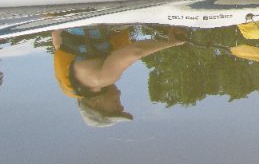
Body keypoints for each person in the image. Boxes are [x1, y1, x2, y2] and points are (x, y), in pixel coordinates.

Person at [52, 25, 185, 127]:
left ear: (96, 103)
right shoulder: (73, 81)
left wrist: (171, 43)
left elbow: (135, 52)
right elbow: (56, 36)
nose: (119, 94)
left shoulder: (101, 79)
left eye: (116, 102)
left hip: (96, 20)